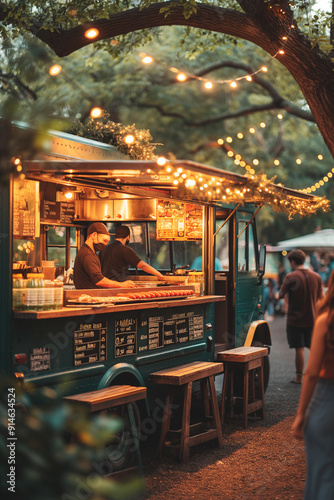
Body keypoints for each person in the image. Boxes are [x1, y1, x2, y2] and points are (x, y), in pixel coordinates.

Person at [291, 270, 334, 499]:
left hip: (327, 401)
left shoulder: (327, 320)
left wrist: (301, 414)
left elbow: (312, 372)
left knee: (322, 473)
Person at [278, 249, 323, 384]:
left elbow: (280, 295)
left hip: (295, 319)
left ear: (292, 261)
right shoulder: (317, 277)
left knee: (299, 348)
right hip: (313, 318)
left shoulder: (290, 277)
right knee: (313, 347)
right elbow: (321, 298)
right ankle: (319, 373)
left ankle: (299, 377)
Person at [73, 222, 135, 289]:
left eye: (107, 242)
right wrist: (122, 285)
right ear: (94, 235)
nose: (105, 244)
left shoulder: (91, 253)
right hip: (89, 296)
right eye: (104, 240)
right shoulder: (87, 254)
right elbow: (99, 280)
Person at [100, 225, 166, 282]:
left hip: (104, 284)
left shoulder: (104, 249)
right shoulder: (125, 250)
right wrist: (159, 275)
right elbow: (142, 265)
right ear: (128, 237)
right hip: (118, 284)